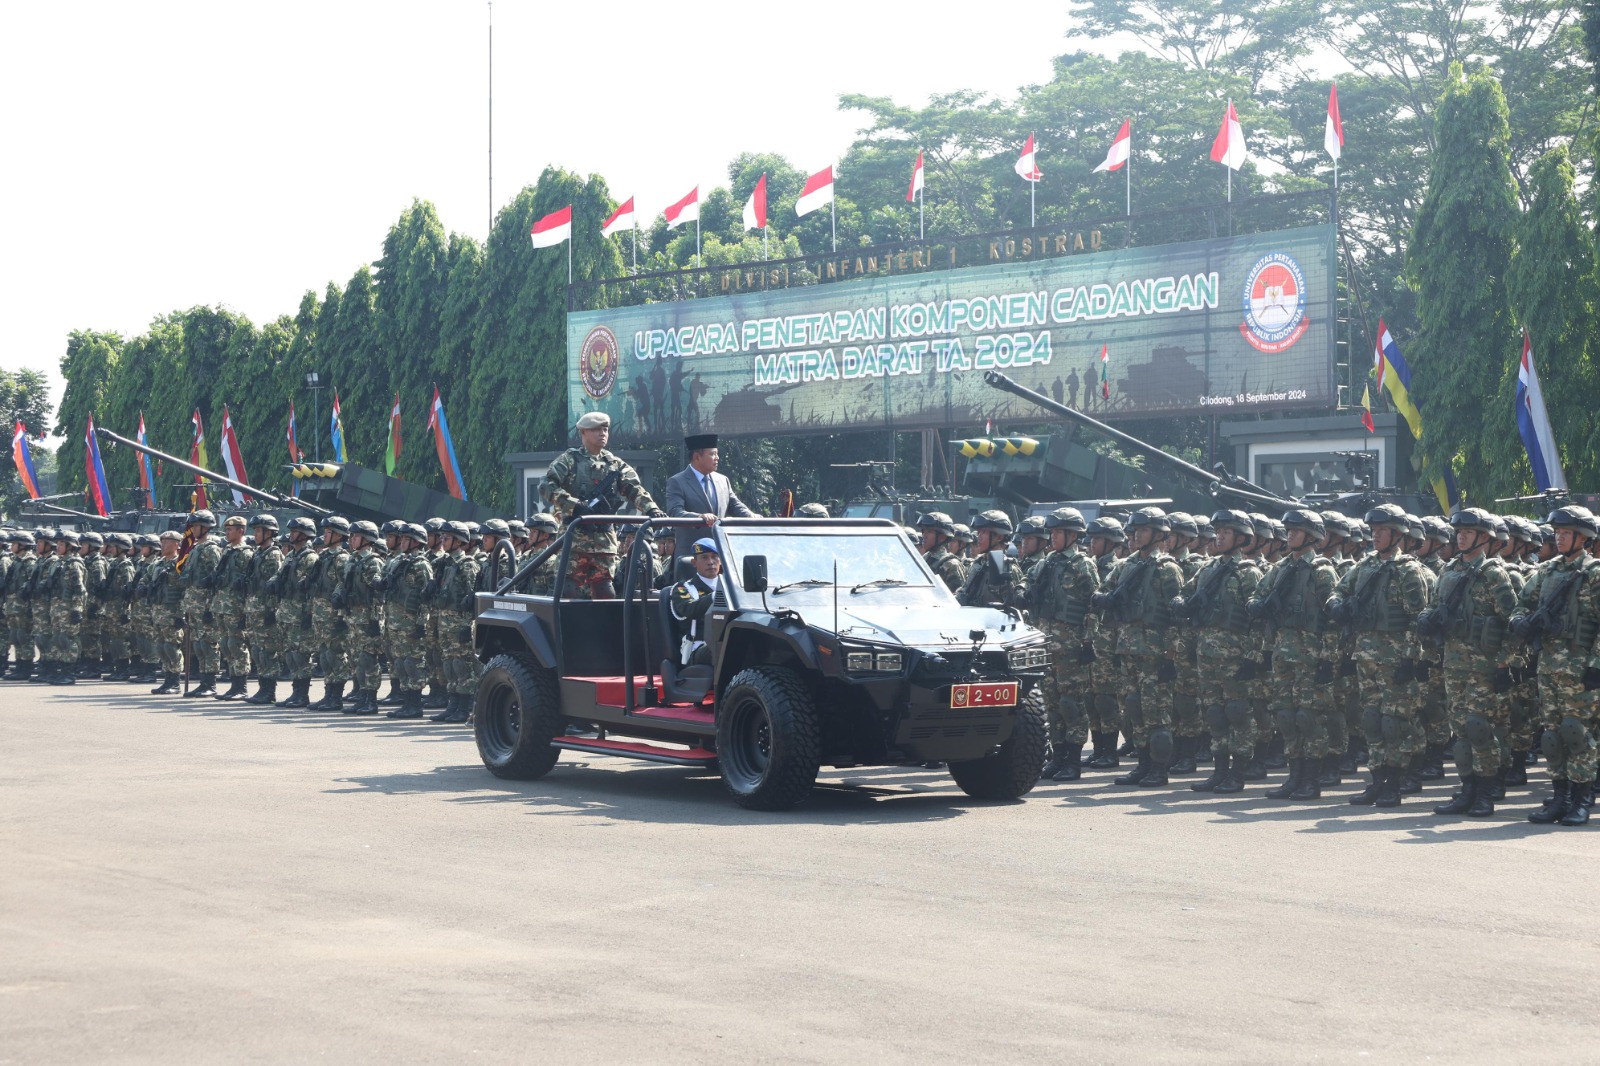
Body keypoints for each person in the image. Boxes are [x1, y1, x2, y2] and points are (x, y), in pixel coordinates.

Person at [1325, 504, 1433, 808]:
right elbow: (1338, 591)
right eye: (1373, 531)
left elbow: (1418, 620)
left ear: (1398, 535)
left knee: (1394, 722)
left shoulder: (1408, 570)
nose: (1375, 536)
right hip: (1366, 656)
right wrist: (1337, 606)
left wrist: (1411, 660)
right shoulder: (1364, 566)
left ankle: (1395, 784)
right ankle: (1377, 780)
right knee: (1371, 720)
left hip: (1396, 659)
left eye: (1382, 531)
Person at [1423, 508, 1517, 818]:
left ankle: (1485, 792)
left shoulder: (1494, 573)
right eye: (1459, 532)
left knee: (1479, 728)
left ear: (1484, 538)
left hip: (1484, 666)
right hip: (1454, 663)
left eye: (1468, 532)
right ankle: (1467, 789)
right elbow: (1434, 609)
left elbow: (1512, 622)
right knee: (1460, 731)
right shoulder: (1449, 571)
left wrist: (1505, 664)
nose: (1460, 536)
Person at [1511, 505, 1600, 826]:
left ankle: (1580, 800)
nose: (1559, 539)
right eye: (1557, 534)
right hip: (1548, 666)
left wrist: (1596, 665)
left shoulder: (1594, 574)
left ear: (1583, 537)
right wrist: (1520, 623)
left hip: (1581, 670)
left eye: (1565, 534)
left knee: (1577, 733)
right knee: (1551, 736)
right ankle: (1559, 797)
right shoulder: (1546, 573)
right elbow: (1522, 604)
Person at [1250, 509, 1339, 800]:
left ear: (1311, 537)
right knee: (1286, 715)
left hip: (1310, 653)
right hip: (1282, 650)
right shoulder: (1280, 568)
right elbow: (1258, 595)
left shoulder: (1322, 571)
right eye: (1288, 531)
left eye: (1296, 531)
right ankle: (1294, 776)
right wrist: (1257, 606)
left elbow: (1332, 619)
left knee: (1308, 717)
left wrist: (1328, 657)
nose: (1289, 535)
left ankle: (1311, 779)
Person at [1092, 507, 1184, 788]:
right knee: (1134, 709)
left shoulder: (1167, 568)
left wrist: (1171, 654)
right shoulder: (1127, 565)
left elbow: (1177, 617)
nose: (1136, 535)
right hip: (1128, 647)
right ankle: (1143, 764)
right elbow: (1103, 591)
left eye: (1142, 530)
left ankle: (1159, 768)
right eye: (1135, 530)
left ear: (1158, 535)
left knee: (1156, 712)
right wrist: (1103, 599)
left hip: (1155, 652)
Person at [1182, 510, 1264, 793]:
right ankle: (1218, 772)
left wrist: (1253, 657)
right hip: (1207, 652)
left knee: (1237, 712)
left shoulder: (1249, 573)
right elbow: (1187, 594)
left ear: (1241, 538)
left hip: (1235, 655)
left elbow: (1258, 619)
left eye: (1226, 533)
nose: (1219, 536)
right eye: (1218, 532)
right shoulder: (1208, 569)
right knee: (1214, 713)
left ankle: (1238, 773)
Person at [542, 411, 665, 599]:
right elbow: (546, 486)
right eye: (596, 429)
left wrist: (652, 509)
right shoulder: (569, 460)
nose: (602, 433)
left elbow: (635, 489)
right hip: (575, 540)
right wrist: (575, 506)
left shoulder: (615, 464)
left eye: (605, 429)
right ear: (583, 432)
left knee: (605, 592)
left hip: (604, 541)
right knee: (568, 591)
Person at [1029, 507, 1099, 780]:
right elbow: (1028, 581)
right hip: (1046, 643)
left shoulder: (1083, 564)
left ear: (1072, 535)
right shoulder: (1046, 563)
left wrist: (1088, 641)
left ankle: (1073, 759)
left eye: (1059, 532)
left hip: (1071, 646)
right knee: (1051, 702)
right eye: (1053, 532)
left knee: (1071, 703)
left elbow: (1094, 606)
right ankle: (1057, 756)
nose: (1053, 537)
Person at [379, 523, 434, 720]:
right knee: (400, 663)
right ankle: (406, 702)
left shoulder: (421, 565)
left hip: (411, 623)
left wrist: (421, 623)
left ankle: (415, 704)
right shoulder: (398, 563)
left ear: (415, 542)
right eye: (401, 539)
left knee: (412, 663)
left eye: (405, 539)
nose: (401, 542)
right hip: (396, 622)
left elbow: (427, 597)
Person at [339, 520, 387, 716]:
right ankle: (362, 695)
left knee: (368, 658)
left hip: (368, 616)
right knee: (356, 658)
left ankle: (371, 699)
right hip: (354, 615)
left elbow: (377, 594)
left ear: (367, 540)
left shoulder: (372, 561)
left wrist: (376, 620)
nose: (351, 540)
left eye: (356, 536)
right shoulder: (353, 560)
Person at [178, 510, 224, 697]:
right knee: (198, 644)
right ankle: (203, 681)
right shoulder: (196, 548)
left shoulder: (211, 549)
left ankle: (210, 683)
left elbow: (214, 580)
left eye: (197, 526)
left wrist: (209, 607)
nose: (193, 529)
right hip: (194, 603)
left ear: (206, 528)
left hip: (205, 603)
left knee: (208, 644)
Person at [211, 516, 256, 700]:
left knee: (236, 645)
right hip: (222, 604)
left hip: (235, 606)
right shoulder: (227, 551)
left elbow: (248, 583)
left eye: (231, 529)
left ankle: (241, 686)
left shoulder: (245, 553)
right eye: (226, 529)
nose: (227, 532)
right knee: (225, 645)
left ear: (241, 531)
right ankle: (233, 683)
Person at [242, 515, 285, 705]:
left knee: (267, 651)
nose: (256, 534)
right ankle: (262, 687)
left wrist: (271, 611)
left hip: (265, 610)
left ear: (269, 533)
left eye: (259, 531)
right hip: (254, 608)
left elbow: (274, 585)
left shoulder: (273, 555)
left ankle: (269, 690)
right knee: (258, 651)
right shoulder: (258, 553)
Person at [666, 433, 755, 522]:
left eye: (717, 454)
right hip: (694, 535)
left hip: (720, 535)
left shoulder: (723, 480)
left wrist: (750, 515)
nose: (717, 458)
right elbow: (675, 512)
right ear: (697, 457)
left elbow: (735, 505)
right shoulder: (678, 482)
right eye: (712, 454)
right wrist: (699, 517)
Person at [957, 511, 1027, 609]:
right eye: (979, 532)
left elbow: (1014, 609)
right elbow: (963, 593)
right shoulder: (978, 564)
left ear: (999, 537)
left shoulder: (1007, 568)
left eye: (984, 532)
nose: (979, 536)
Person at [669, 538, 722, 667]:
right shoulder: (683, 588)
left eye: (714, 557)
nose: (710, 562)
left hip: (727, 640)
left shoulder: (733, 585)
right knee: (728, 648)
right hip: (699, 649)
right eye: (704, 558)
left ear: (721, 560)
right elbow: (689, 609)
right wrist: (718, 595)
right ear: (694, 562)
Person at [149, 531, 185, 695]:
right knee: (160, 647)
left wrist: (181, 614)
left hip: (172, 612)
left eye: (167, 542)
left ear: (177, 544)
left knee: (171, 647)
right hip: (158, 610)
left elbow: (184, 590)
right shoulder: (157, 564)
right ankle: (166, 678)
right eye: (162, 542)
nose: (163, 545)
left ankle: (175, 681)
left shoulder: (180, 564)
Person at [914, 511, 967, 593]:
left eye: (929, 532)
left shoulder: (952, 564)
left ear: (942, 537)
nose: (924, 535)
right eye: (923, 531)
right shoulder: (923, 559)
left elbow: (958, 599)